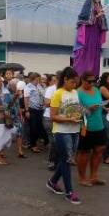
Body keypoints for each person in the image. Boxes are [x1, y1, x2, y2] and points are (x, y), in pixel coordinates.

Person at [46, 67, 82, 205]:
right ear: (65, 79)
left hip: (74, 130)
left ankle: (52, 181)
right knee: (67, 161)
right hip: (61, 131)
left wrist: (81, 115)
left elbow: (76, 110)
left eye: (76, 82)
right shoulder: (57, 94)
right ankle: (69, 192)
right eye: (72, 82)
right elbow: (53, 116)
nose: (74, 84)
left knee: (65, 159)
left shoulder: (75, 93)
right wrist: (69, 119)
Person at [76, 71, 107, 187]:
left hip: (99, 125)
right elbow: (75, 111)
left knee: (99, 150)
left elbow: (99, 103)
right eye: (89, 81)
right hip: (85, 127)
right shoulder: (78, 93)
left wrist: (104, 106)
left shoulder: (97, 90)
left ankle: (94, 176)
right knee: (84, 152)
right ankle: (82, 178)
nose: (92, 83)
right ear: (83, 80)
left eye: (94, 81)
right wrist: (88, 109)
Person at [72, 0, 108, 77]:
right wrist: (96, 16)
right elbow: (84, 19)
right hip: (88, 32)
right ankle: (81, 71)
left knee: (94, 52)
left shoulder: (99, 6)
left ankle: (93, 72)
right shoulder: (88, 7)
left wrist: (101, 16)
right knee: (85, 50)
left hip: (95, 32)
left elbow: (102, 23)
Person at [24, 72, 48, 154]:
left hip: (40, 109)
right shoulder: (28, 87)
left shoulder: (39, 86)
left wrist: (44, 88)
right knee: (33, 127)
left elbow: (44, 95)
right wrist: (27, 110)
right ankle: (33, 145)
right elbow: (26, 99)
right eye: (38, 79)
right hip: (32, 109)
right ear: (33, 79)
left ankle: (41, 141)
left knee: (40, 126)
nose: (39, 80)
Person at [42, 74, 58, 170]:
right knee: (54, 141)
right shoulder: (51, 89)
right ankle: (51, 161)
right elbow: (46, 103)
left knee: (58, 141)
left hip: (58, 118)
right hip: (49, 118)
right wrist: (58, 102)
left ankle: (57, 160)